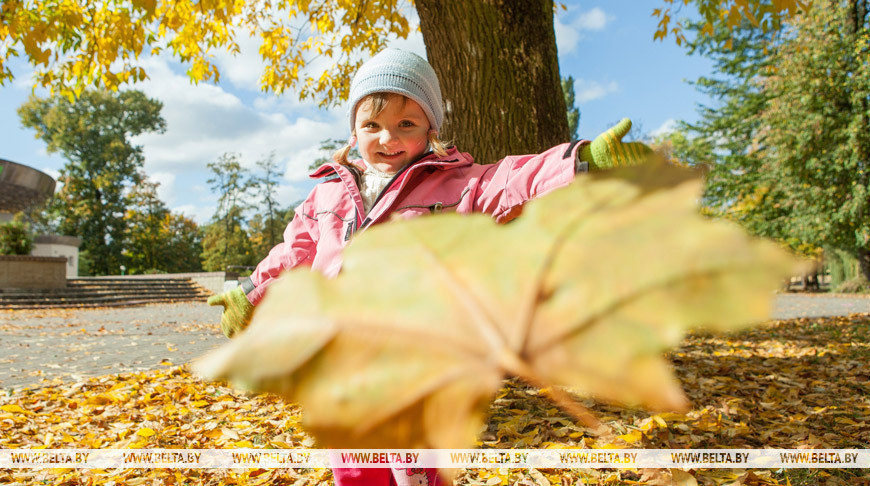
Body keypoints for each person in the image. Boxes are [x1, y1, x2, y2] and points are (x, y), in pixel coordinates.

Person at [208, 48, 652, 486]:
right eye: (372, 125)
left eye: (406, 124)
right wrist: (249, 294)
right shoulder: (328, 195)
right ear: (353, 131)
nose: (388, 138)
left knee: (414, 463)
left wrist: (583, 161)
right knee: (355, 466)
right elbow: (294, 251)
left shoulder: (458, 183)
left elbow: (514, 179)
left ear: (430, 128)